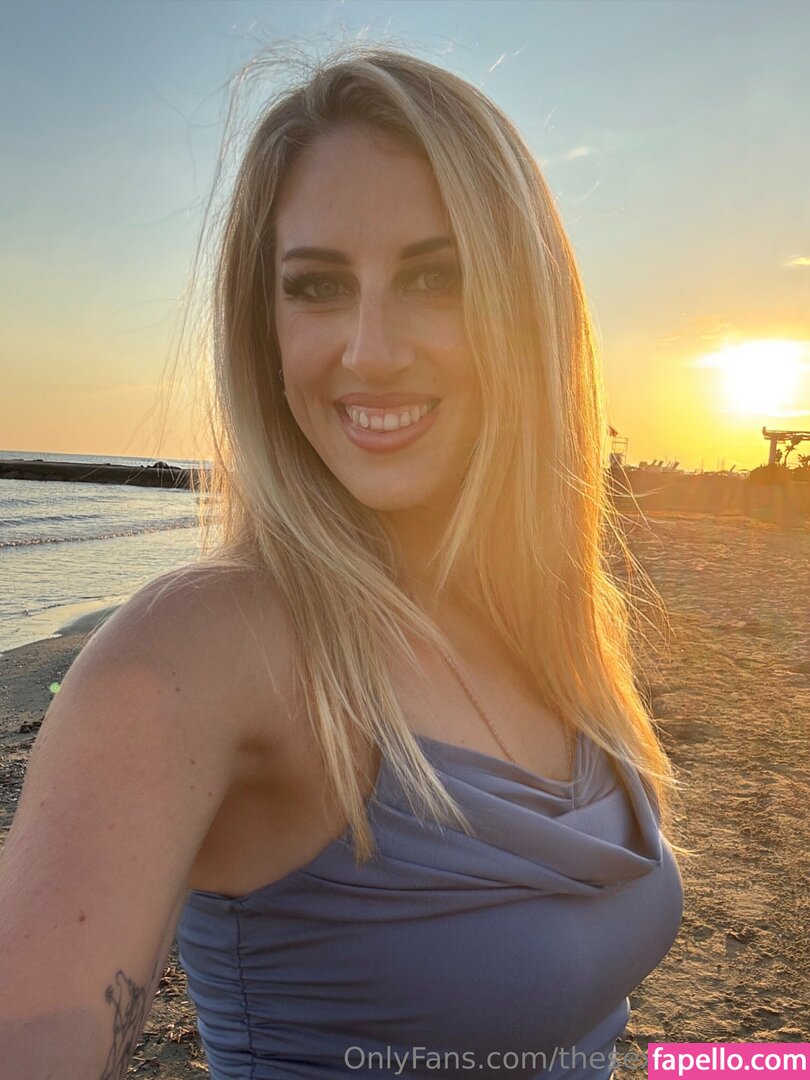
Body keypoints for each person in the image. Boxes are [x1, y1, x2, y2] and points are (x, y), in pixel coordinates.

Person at [0, 45, 687, 1080]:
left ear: (530, 307)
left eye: (435, 277)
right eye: (318, 287)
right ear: (264, 327)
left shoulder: (553, 623)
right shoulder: (206, 646)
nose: (369, 350)